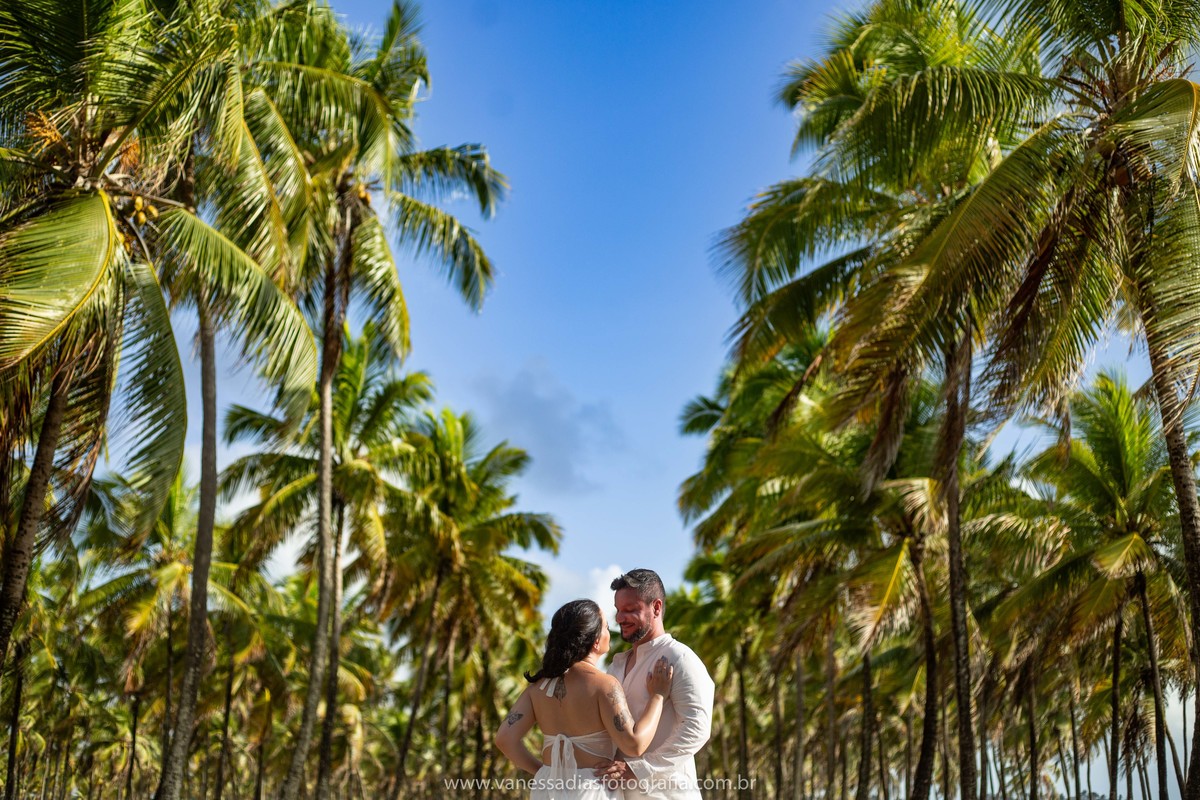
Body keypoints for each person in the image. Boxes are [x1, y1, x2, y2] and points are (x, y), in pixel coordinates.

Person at [497, 599, 674, 800]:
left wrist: (542, 772)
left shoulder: (537, 687)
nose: (610, 629)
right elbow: (634, 745)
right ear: (596, 641)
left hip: (546, 788)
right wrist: (658, 696)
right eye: (606, 626)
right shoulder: (604, 685)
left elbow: (504, 739)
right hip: (590, 789)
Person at [594, 569, 715, 800]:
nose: (620, 618)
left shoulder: (679, 658)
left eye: (630, 610)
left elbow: (697, 728)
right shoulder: (616, 666)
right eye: (618, 610)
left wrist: (639, 770)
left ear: (656, 608)